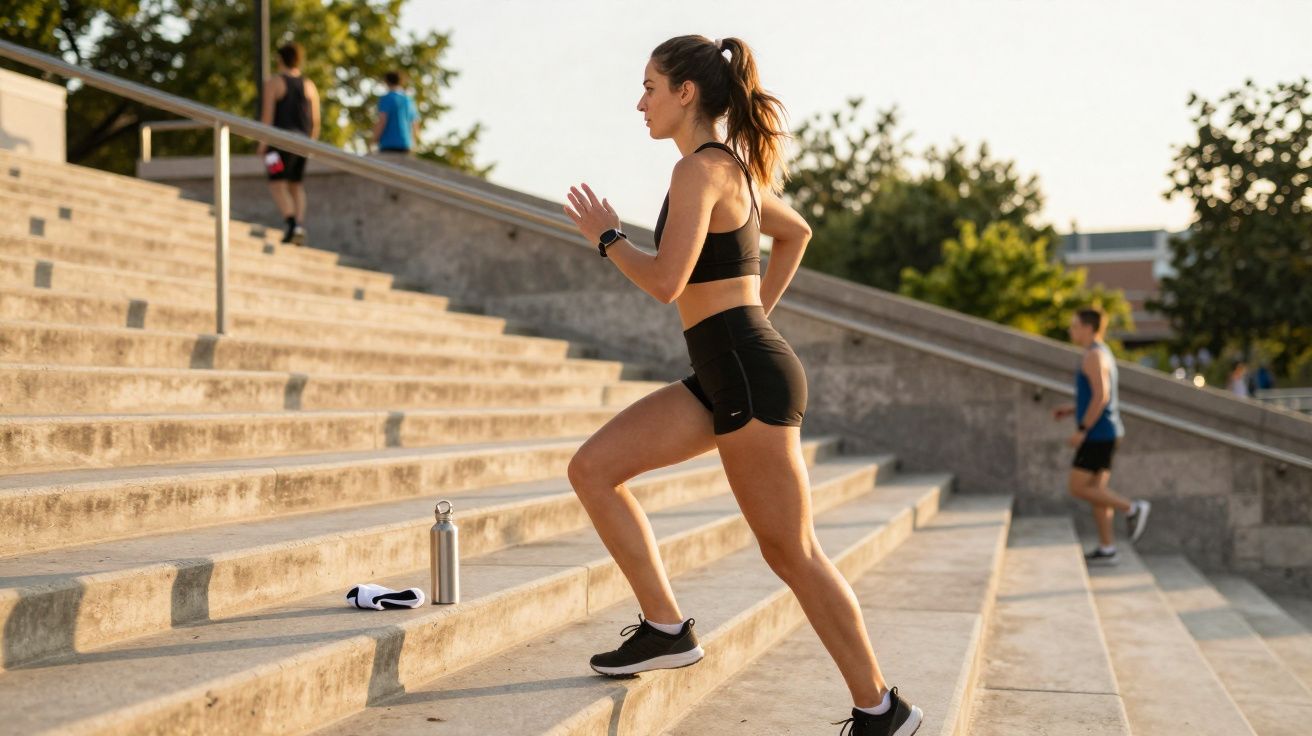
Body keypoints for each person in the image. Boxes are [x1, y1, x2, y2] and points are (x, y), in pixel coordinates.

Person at [561, 35, 921, 736]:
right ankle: (666, 628)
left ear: (685, 93)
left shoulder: (699, 172)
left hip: (749, 379)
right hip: (727, 372)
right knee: (594, 469)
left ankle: (883, 709)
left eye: (650, 87)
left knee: (793, 553)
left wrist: (608, 237)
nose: (641, 103)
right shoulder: (735, 172)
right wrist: (753, 314)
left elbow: (666, 282)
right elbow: (798, 233)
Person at [1052, 308, 1151, 566]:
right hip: (1107, 431)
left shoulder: (1093, 356)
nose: (1071, 330)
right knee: (1096, 491)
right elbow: (1098, 397)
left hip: (1098, 434)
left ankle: (1132, 507)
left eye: (1074, 326)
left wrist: (1082, 429)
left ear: (1088, 328)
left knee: (1077, 487)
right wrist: (1072, 409)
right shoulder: (1101, 352)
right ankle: (1108, 548)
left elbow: (1102, 396)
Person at [255, 42, 320, 245]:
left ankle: (292, 223)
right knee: (296, 185)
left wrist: (262, 143)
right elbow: (315, 121)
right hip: (302, 144)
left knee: (277, 184)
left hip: (278, 144)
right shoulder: (309, 85)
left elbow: (267, 117)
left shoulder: (274, 82)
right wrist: (312, 143)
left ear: (280, 59)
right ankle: (298, 225)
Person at [373, 71, 419, 153]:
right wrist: (413, 143)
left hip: (389, 144)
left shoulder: (386, 98)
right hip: (406, 145)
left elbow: (382, 121)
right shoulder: (408, 100)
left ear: (387, 82)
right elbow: (415, 124)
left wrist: (374, 140)